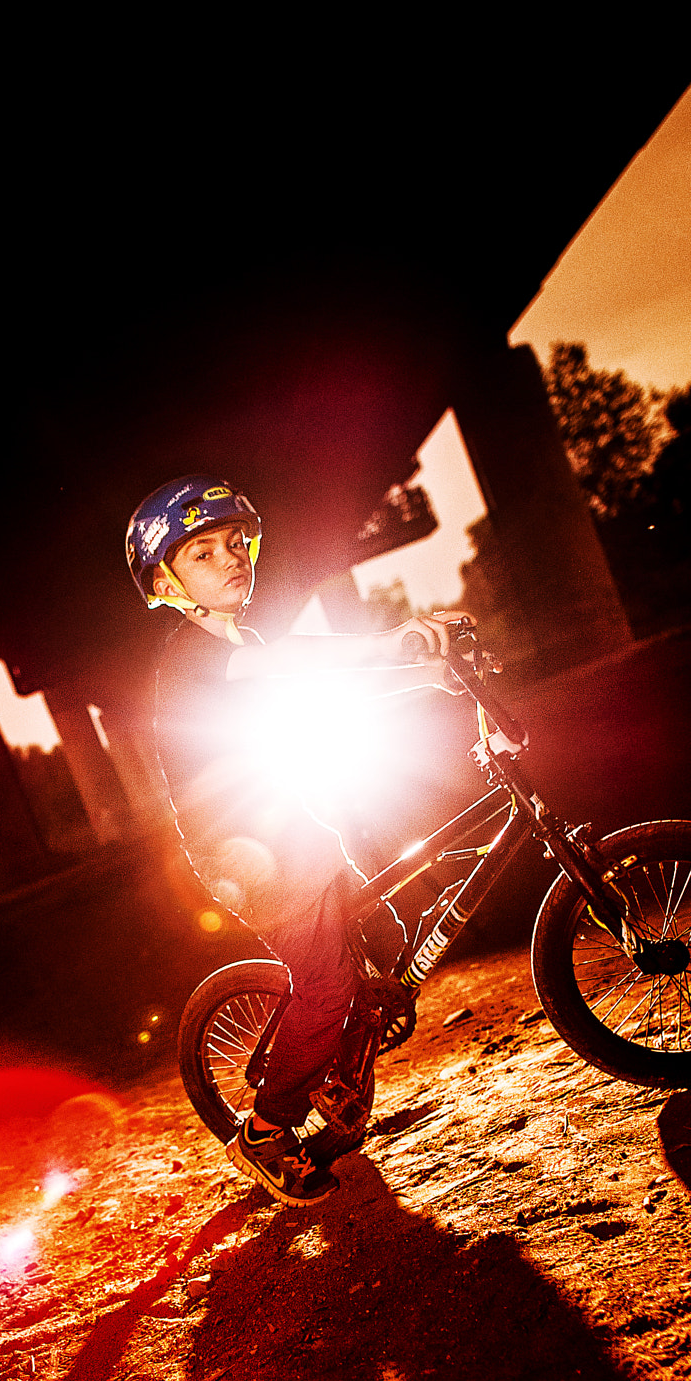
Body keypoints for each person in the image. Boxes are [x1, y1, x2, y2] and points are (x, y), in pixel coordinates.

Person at [126, 473, 468, 1207]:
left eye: (231, 543)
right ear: (165, 581)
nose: (228, 559)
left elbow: (317, 686)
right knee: (326, 988)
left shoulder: (240, 640)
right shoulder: (191, 655)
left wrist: (426, 673)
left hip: (290, 822)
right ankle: (262, 1131)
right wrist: (385, 640)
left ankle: (340, 1075)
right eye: (202, 555)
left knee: (382, 931)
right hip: (244, 855)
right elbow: (291, 662)